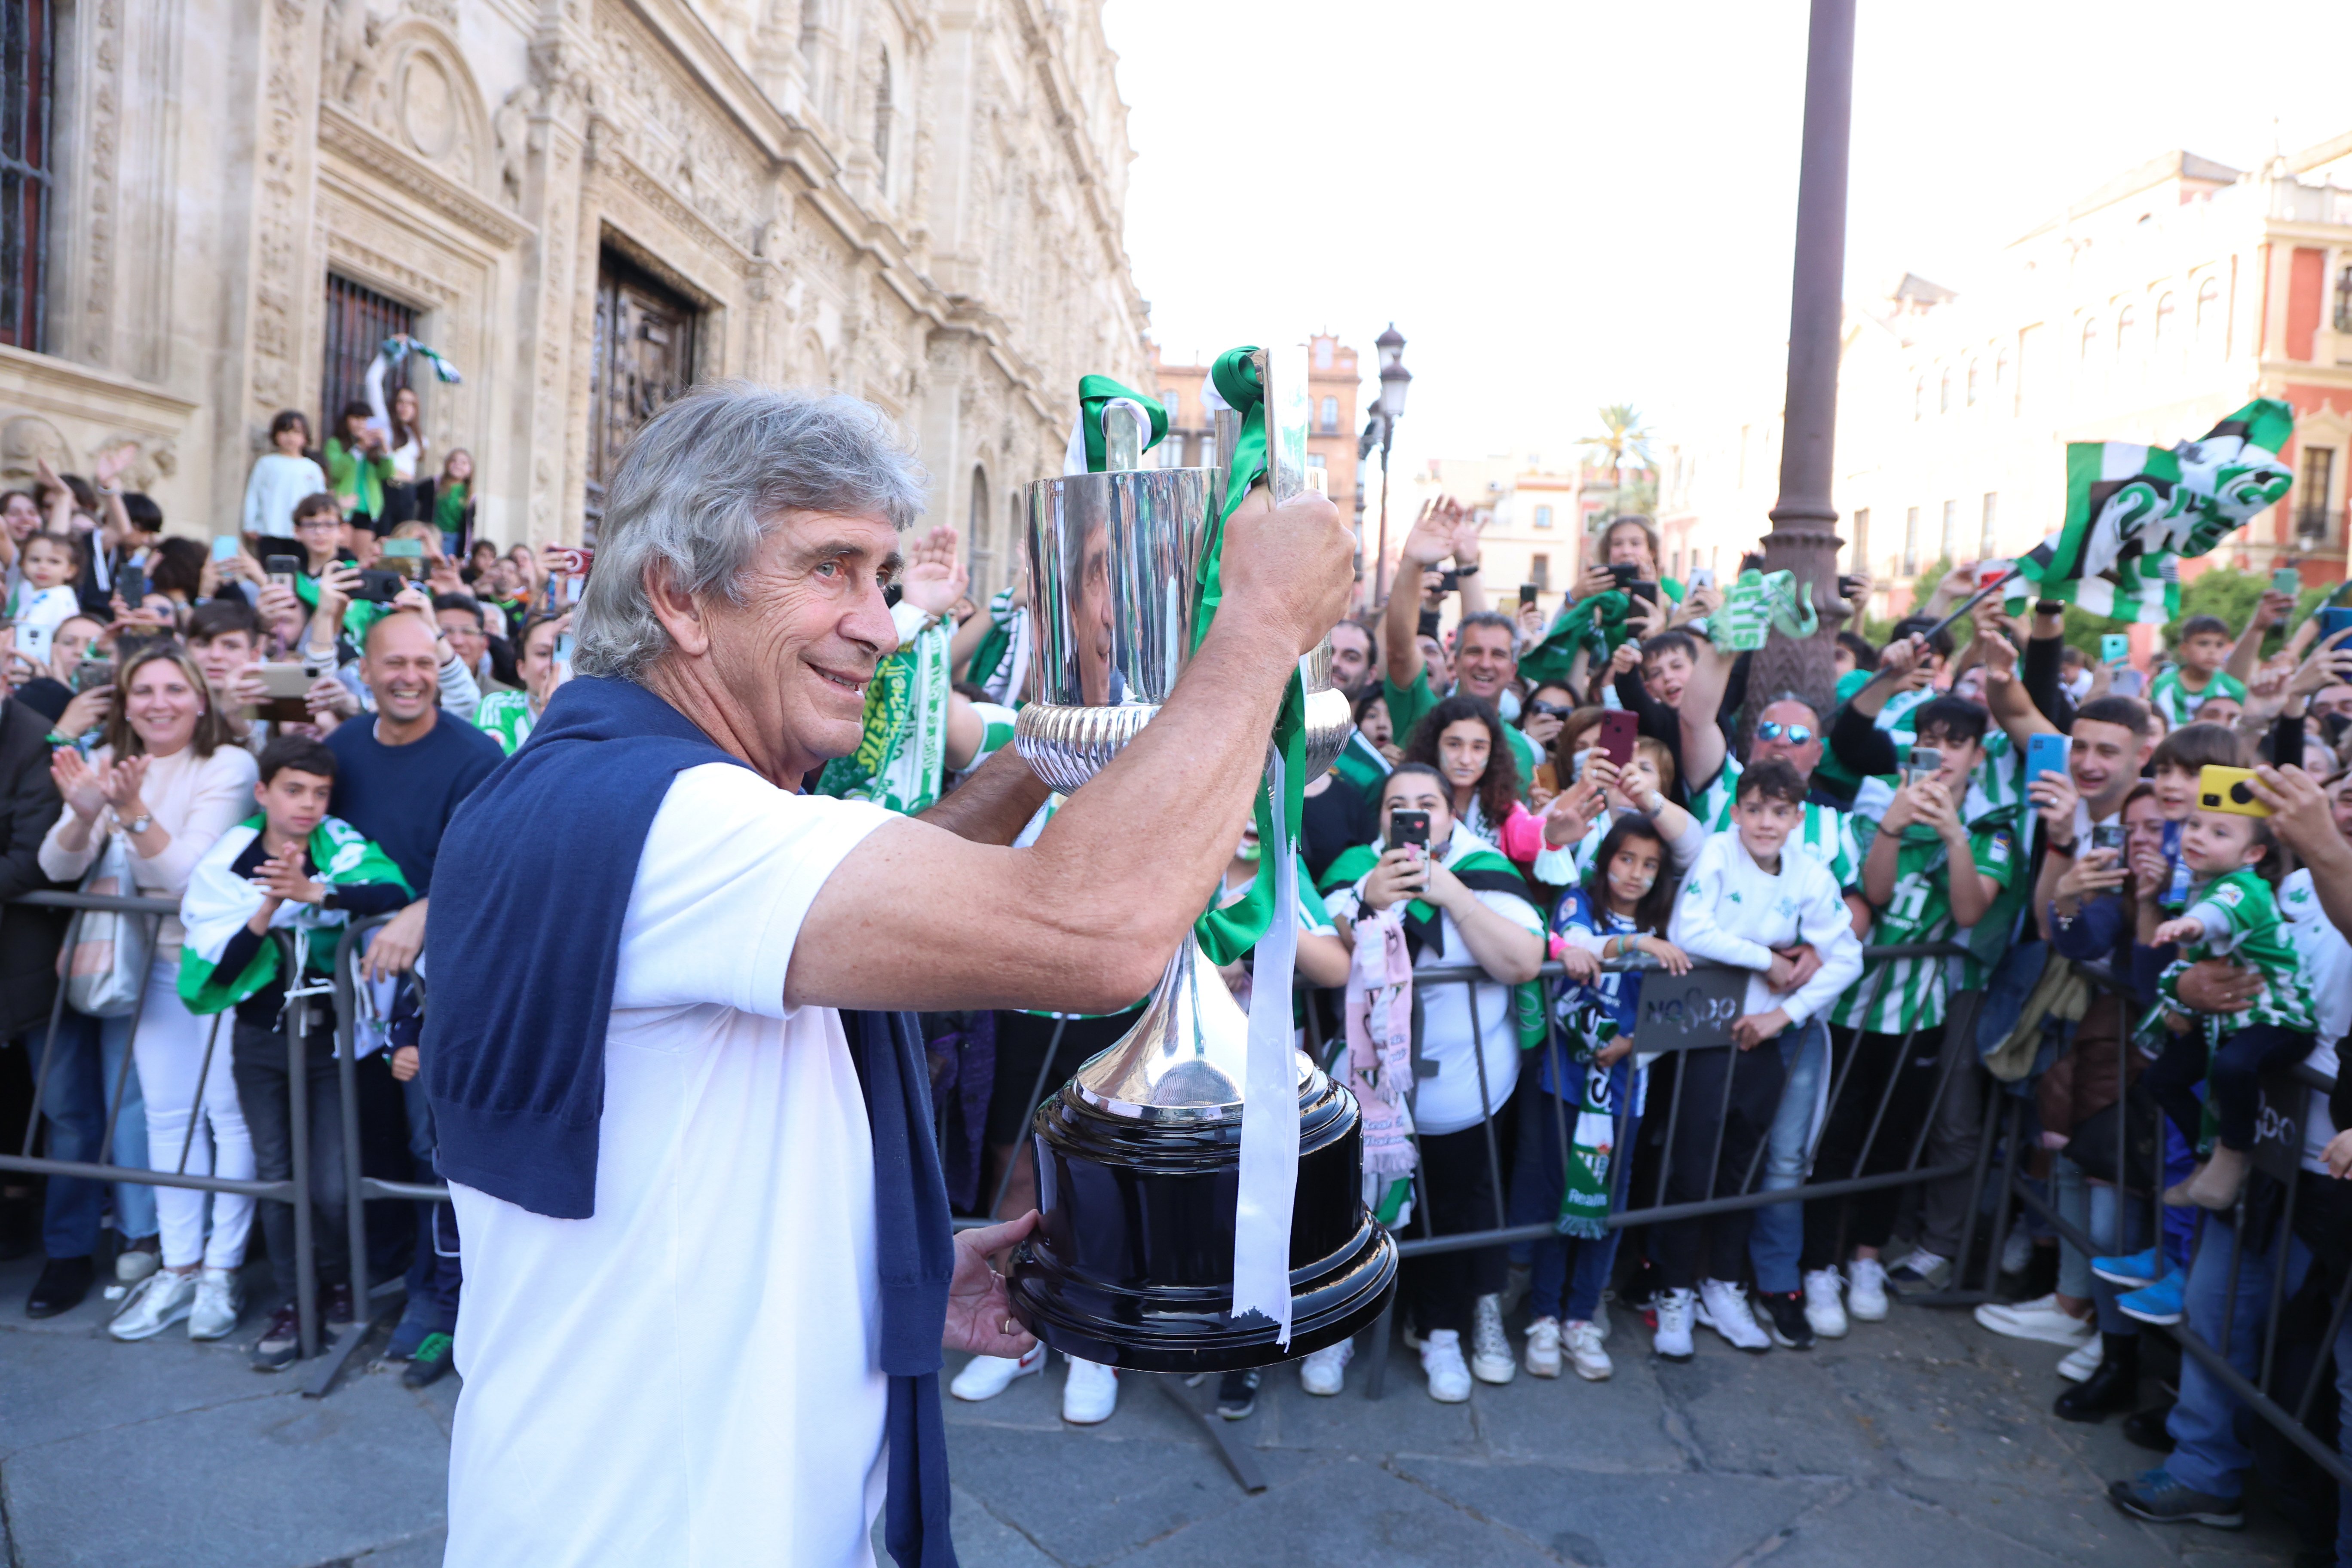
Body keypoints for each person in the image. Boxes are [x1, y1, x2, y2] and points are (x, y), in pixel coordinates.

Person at [417, 383, 1353, 1566]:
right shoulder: (674, 820)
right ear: (679, 598)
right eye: (833, 569)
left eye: (883, 574)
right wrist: (1260, 626)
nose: (884, 622)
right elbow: (1100, 931)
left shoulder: (612, 789)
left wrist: (892, 1268)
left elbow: (906, 887)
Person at [38, 643, 260, 1341]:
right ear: (126, 703)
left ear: (200, 698)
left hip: (222, 966)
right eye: (143, 690)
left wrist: (128, 809)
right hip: (155, 968)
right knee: (166, 1116)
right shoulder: (110, 762)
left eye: (173, 688)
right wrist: (81, 811)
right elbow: (56, 863)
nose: (158, 702)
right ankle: (181, 1264)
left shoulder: (229, 764)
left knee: (227, 1115)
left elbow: (190, 881)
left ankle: (223, 1270)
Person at [176, 734, 412, 1368]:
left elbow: (391, 894)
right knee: (279, 1180)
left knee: (333, 1187)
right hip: (261, 1045)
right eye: (294, 790)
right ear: (263, 793)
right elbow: (214, 966)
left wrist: (318, 894)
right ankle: (293, 1300)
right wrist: (270, 907)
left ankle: (334, 1286)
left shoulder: (342, 845)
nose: (308, 805)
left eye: (320, 792)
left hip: (332, 1045)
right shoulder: (233, 858)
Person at [1320, 763, 1546, 1401]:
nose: (1413, 814)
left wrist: (1452, 895)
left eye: (1428, 803)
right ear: (1382, 819)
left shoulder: (1483, 868)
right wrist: (1373, 900)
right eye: (1398, 804)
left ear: (1451, 814)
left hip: (1465, 1085)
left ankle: (1441, 1330)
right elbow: (1331, 948)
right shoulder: (1354, 866)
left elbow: (1524, 960)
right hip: (1368, 1086)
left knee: (1453, 1209)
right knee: (1352, 1207)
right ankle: (1339, 1329)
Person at [1803, 698, 2019, 1338]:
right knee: (1834, 1139)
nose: (1942, 754)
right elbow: (1875, 896)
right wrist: (1893, 831)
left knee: (1893, 1142)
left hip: (1922, 1015)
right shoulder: (1876, 812)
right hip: (1849, 1009)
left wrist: (1954, 835)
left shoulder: (1992, 832)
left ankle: (1866, 1259)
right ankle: (1819, 1267)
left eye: (1957, 744)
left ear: (1978, 757)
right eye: (1931, 740)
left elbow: (1970, 911)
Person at [1657, 758, 1862, 1361]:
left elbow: (1847, 956)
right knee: (1691, 1168)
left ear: (1798, 818)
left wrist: (1784, 1014)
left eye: (1779, 812)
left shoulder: (1810, 872)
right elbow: (1688, 928)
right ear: (1737, 811)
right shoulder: (1719, 852)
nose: (1765, 823)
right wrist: (1766, 960)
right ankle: (1673, 1291)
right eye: (1754, 809)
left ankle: (1724, 1286)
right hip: (1703, 1035)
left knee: (1743, 1169)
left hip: (1763, 1040)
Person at [1511, 812, 1684, 1382]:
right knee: (1557, 1195)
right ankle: (1543, 1313)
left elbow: (1678, 1010)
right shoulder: (1577, 905)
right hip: (1565, 1083)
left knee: (1605, 1204)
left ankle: (1582, 1316)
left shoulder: (1669, 922)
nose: (1636, 874)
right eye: (1626, 859)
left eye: (1650, 865)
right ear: (1606, 858)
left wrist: (1635, 1044)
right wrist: (1637, 943)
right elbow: (1577, 947)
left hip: (1626, 1091)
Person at [2147, 782, 2316, 1210]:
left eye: (2220, 833)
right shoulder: (2199, 884)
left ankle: (2234, 1155)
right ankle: (2205, 1160)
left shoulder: (2246, 886)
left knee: (2234, 1065)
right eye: (2195, 824)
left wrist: (2190, 927)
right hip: (2233, 1018)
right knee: (2161, 1079)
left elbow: (2219, 913)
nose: (2199, 836)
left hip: (2282, 1019)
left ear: (2254, 854)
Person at [473, 614, 566, 756]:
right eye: (543, 653)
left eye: (566, 653)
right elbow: (501, 772)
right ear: (522, 669)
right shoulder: (498, 706)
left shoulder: (596, 713)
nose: (554, 664)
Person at [364, 345, 428, 527]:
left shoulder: (420, 438)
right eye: (401, 401)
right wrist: (388, 352)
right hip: (386, 488)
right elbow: (372, 381)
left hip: (408, 492)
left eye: (410, 403)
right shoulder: (386, 424)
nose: (404, 407)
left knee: (402, 542)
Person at [242, 410, 329, 540]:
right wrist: (249, 525)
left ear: (305, 437)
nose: (290, 437)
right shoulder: (266, 463)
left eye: (296, 432)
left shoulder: (312, 468)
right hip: (269, 529)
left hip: (302, 532)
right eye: (285, 432)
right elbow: (254, 494)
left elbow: (319, 501)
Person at [2148, 615, 2246, 729]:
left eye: (2219, 645)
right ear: (2184, 649)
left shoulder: (2234, 689)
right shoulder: (2163, 684)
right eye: (2203, 644)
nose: (2212, 651)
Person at [7, 534, 82, 666]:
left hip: (46, 662)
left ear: (70, 570)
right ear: (23, 564)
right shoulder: (29, 592)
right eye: (35, 560)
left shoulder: (60, 596)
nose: (43, 567)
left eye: (54, 562)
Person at [323, 401, 393, 531]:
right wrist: (359, 448)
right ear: (346, 421)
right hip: (343, 508)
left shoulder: (374, 449)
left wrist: (384, 446)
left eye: (365, 419)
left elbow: (387, 474)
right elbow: (336, 472)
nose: (361, 424)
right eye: (356, 418)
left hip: (368, 509)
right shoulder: (336, 444)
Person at [423, 449, 476, 557]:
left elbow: (469, 526)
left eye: (464, 463)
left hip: (453, 539)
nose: (458, 465)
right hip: (431, 534)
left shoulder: (470, 495)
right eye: (454, 461)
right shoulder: (434, 484)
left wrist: (465, 552)